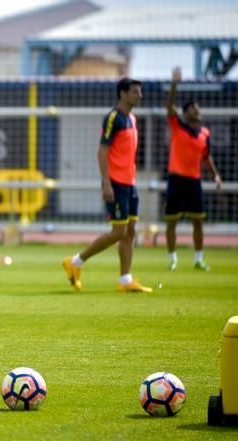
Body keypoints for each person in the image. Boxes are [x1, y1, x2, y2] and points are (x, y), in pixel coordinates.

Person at [62, 78, 153, 293]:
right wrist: (106, 182)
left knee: (130, 231)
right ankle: (75, 262)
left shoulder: (132, 118)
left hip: (130, 183)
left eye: (140, 92)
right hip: (117, 182)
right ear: (122, 93)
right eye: (134, 91)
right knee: (119, 232)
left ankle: (125, 280)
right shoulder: (114, 117)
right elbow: (102, 151)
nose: (139, 95)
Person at [164, 67, 222, 271]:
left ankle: (198, 259)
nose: (197, 111)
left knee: (198, 221)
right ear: (186, 112)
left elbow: (207, 157)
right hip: (176, 179)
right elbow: (169, 106)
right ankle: (172, 258)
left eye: (198, 108)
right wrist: (174, 84)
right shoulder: (177, 126)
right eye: (194, 108)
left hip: (194, 180)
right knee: (172, 222)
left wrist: (215, 176)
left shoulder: (205, 133)